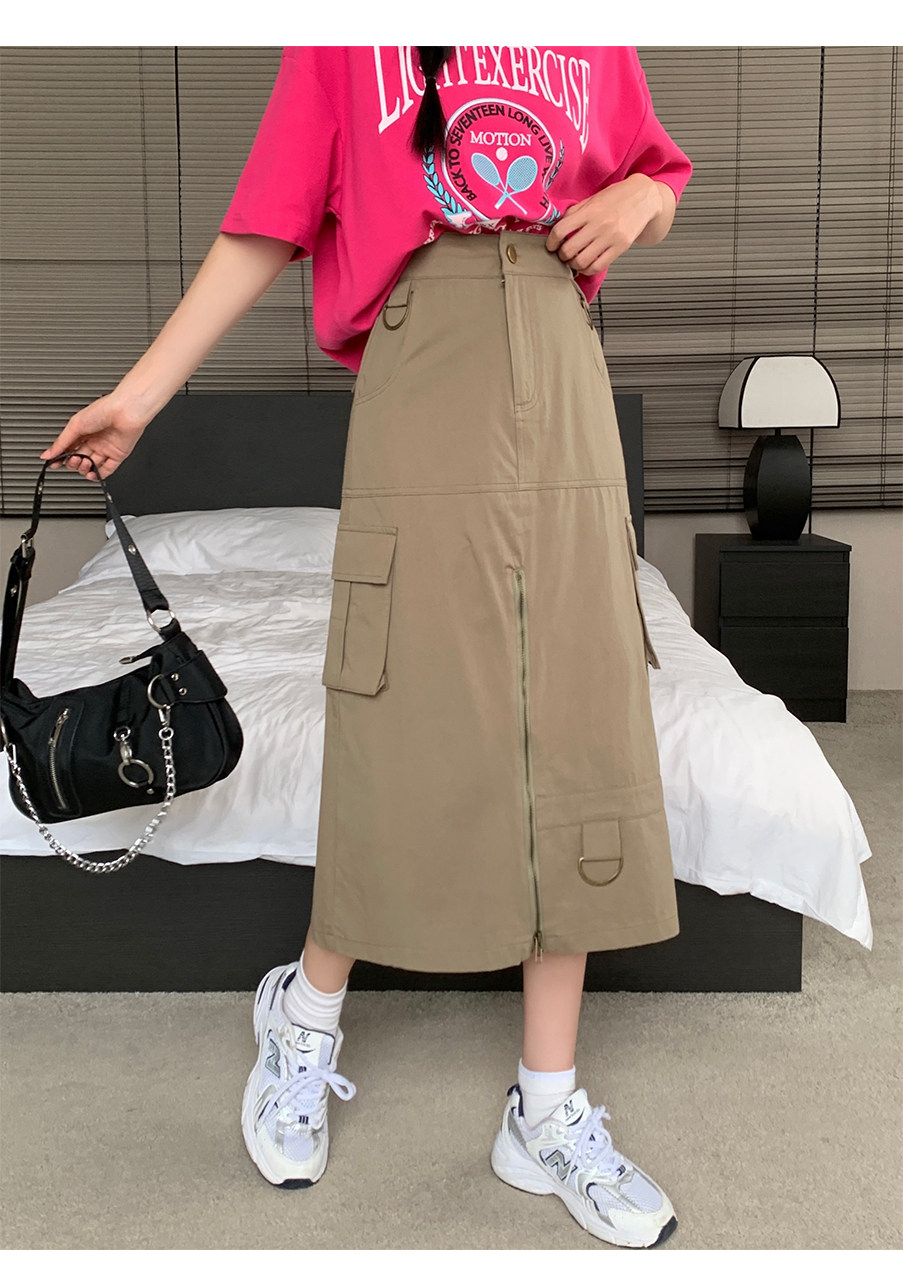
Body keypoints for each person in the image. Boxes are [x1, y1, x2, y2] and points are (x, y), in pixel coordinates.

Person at [39, 46, 692, 1249]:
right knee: (406, 710)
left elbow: (657, 172)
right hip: (421, 354)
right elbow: (266, 223)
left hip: (563, 359)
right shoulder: (348, 38)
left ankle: (546, 1107)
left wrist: (639, 200)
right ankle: (303, 1011)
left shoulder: (590, 30)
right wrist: (140, 395)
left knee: (578, 716)